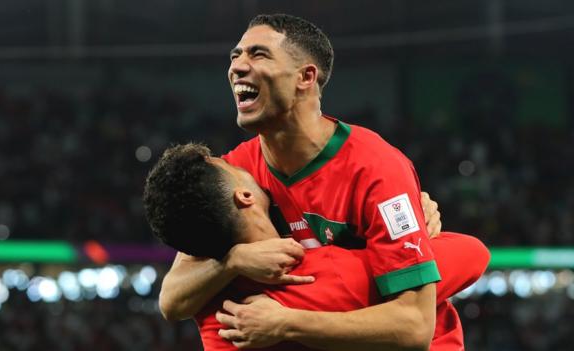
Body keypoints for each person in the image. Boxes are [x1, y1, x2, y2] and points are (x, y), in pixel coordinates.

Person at [158, 14, 490, 350]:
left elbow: (415, 326)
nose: (237, 67)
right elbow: (173, 299)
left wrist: (287, 323)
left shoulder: (377, 168)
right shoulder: (236, 173)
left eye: (258, 54)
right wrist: (232, 262)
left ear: (306, 76)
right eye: (235, 56)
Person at [144, 143, 489, 350]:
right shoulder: (328, 272)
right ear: (244, 196)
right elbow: (472, 254)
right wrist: (407, 228)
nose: (240, 164)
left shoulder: (212, 315)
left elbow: (172, 302)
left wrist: (230, 261)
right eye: (233, 168)